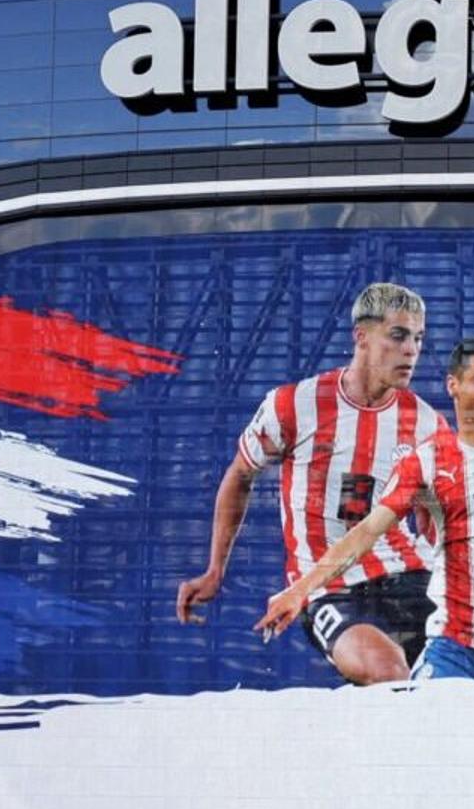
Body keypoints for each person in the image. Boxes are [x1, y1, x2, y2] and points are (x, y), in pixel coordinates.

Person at [255, 335, 474, 679]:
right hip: (456, 646)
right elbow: (365, 532)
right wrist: (301, 589)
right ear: (453, 386)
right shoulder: (426, 460)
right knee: (422, 727)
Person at [174, 280, 437, 684]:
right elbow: (240, 475)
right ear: (361, 337)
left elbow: (432, 514)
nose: (411, 350)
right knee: (388, 674)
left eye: (418, 339)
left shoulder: (425, 421)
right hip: (330, 588)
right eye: (398, 335)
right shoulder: (294, 404)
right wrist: (214, 570)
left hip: (412, 577)